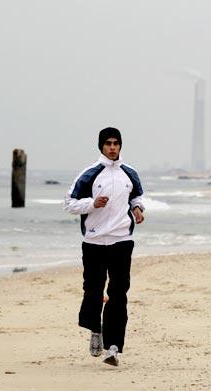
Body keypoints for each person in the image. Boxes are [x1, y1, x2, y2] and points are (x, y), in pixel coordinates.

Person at [63, 127, 145, 366]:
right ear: (101, 146)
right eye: (108, 143)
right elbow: (69, 203)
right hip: (94, 242)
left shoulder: (129, 173)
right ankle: (95, 330)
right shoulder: (89, 174)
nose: (112, 147)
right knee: (93, 291)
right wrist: (92, 204)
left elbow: (136, 196)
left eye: (116, 143)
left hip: (122, 240)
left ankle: (113, 348)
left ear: (120, 146)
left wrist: (138, 209)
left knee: (119, 294)